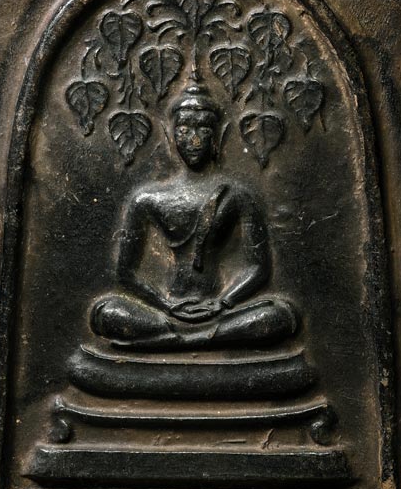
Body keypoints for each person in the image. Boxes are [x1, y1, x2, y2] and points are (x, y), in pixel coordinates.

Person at [91, 84, 297, 350]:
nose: (195, 140)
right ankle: (202, 338)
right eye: (185, 130)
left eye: (204, 130)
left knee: (278, 315)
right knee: (107, 313)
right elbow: (125, 272)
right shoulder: (147, 199)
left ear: (219, 135)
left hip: (222, 312)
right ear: (170, 135)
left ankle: (179, 341)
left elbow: (259, 268)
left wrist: (223, 302)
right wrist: (165, 304)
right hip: (165, 311)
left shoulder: (237, 195)